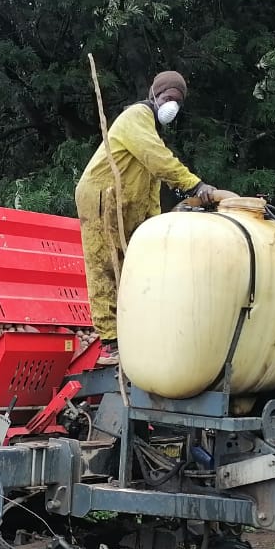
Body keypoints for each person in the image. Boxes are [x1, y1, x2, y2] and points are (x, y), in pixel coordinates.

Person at [74, 70, 221, 366]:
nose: (172, 106)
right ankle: (110, 342)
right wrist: (196, 185)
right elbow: (158, 160)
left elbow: (150, 186)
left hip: (125, 203)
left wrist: (153, 225)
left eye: (177, 103)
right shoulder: (137, 116)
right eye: (168, 98)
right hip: (102, 195)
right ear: (154, 94)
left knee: (134, 269)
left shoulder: (152, 130)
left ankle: (133, 333)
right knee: (104, 265)